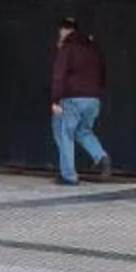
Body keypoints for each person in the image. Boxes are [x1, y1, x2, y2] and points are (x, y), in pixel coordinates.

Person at [50, 16, 110, 186]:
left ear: (64, 30)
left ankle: (68, 176)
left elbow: (58, 76)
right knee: (83, 130)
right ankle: (101, 156)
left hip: (72, 98)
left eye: (60, 30)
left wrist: (55, 100)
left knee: (64, 133)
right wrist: (96, 90)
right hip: (93, 98)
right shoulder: (93, 48)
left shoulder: (67, 48)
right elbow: (103, 71)